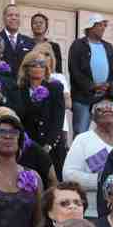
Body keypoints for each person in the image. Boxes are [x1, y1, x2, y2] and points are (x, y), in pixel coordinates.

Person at [64, 97, 113, 217]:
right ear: (92, 116)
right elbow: (69, 175)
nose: (106, 110)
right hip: (92, 213)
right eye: (100, 109)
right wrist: (104, 180)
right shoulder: (82, 139)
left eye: (111, 108)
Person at [68, 13, 113, 135]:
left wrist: (109, 85)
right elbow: (74, 71)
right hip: (82, 97)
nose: (103, 28)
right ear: (90, 27)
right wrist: (92, 86)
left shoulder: (108, 47)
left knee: (107, 131)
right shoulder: (78, 45)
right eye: (99, 25)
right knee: (81, 132)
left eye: (104, 25)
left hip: (105, 96)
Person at [16, 51, 64, 165]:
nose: (38, 67)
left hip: (51, 146)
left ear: (46, 69)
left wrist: (48, 145)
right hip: (27, 146)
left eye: (42, 65)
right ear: (26, 68)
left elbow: (58, 120)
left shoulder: (55, 88)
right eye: (34, 64)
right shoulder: (19, 90)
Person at [32, 42, 70, 179]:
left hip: (57, 127)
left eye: (47, 54)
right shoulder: (25, 83)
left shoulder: (58, 79)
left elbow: (68, 103)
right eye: (40, 53)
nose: (43, 57)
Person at [0, 4, 34, 75]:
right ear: (3, 18)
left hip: (22, 83)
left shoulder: (29, 41)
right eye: (10, 15)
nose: (14, 18)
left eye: (17, 15)